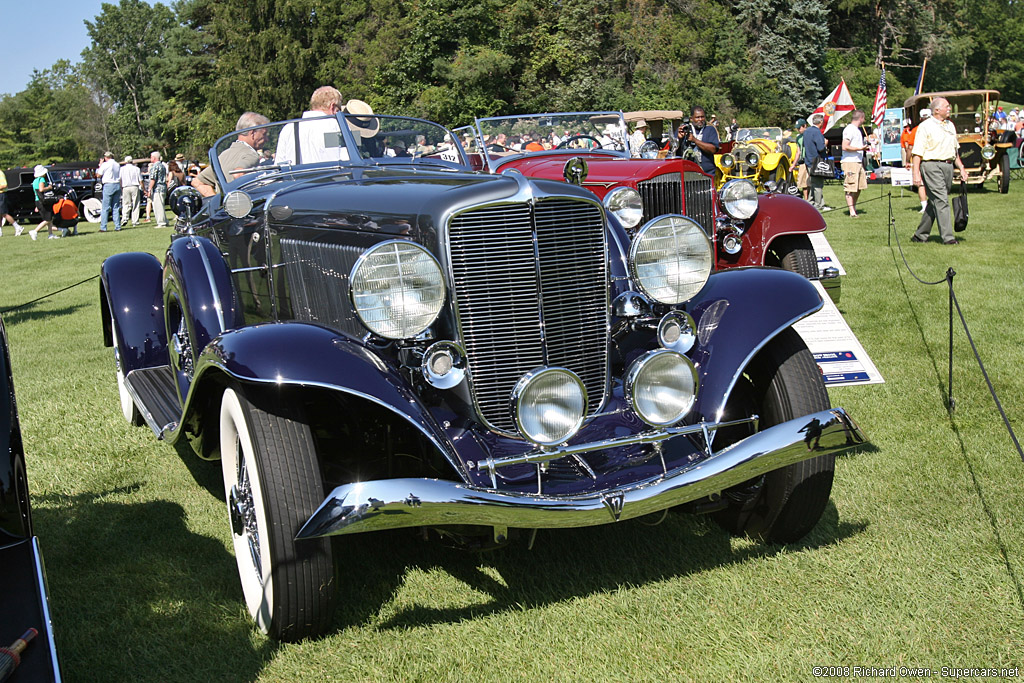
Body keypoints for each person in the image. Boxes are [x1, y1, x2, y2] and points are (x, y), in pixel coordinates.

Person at [911, 96, 968, 245]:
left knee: (935, 201)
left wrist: (961, 167)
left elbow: (954, 151)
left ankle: (920, 235)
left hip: (948, 166)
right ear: (937, 110)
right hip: (931, 166)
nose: (949, 109)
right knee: (942, 200)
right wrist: (915, 173)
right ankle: (948, 238)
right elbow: (917, 153)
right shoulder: (925, 126)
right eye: (947, 106)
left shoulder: (950, 125)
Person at [193, 112, 270, 197]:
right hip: (243, 208)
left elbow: (197, 182)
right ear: (252, 133)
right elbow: (238, 174)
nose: (266, 139)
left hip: (226, 208)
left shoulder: (224, 155)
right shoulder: (251, 155)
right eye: (264, 134)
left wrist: (219, 202)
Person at [275, 86, 346, 165]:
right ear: (332, 107)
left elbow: (279, 165)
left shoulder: (288, 128)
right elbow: (348, 161)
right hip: (330, 176)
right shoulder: (337, 126)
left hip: (296, 177)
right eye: (338, 110)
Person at [674, 106, 720, 175]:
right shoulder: (684, 129)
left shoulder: (710, 130)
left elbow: (713, 149)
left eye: (702, 117)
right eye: (697, 117)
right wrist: (679, 138)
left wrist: (695, 140)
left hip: (707, 173)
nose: (700, 119)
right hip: (686, 172)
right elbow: (672, 149)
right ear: (691, 119)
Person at [840, 110, 869, 217]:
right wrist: (860, 148)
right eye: (864, 118)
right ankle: (851, 211)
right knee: (850, 186)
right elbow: (845, 146)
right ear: (861, 118)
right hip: (850, 162)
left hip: (858, 161)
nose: (864, 120)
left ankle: (853, 206)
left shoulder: (856, 130)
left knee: (859, 186)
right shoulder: (849, 129)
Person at [803, 113, 829, 211]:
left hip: (808, 160)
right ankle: (819, 205)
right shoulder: (817, 132)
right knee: (818, 184)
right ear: (821, 122)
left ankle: (810, 202)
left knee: (813, 183)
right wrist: (825, 143)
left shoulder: (806, 131)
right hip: (817, 161)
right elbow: (820, 147)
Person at [909, 109, 932, 212]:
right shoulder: (936, 128)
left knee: (921, 184)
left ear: (920, 118)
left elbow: (910, 147)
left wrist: (907, 161)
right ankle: (932, 205)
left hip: (921, 160)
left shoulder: (916, 130)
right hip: (933, 159)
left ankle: (924, 206)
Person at [29, 165, 58, 240]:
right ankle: (35, 231)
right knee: (47, 219)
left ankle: (50, 234)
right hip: (43, 201)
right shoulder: (41, 179)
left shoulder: (35, 181)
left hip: (38, 200)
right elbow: (41, 189)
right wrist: (49, 187)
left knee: (49, 218)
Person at [97, 151, 122, 232]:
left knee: (105, 207)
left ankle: (103, 227)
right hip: (117, 184)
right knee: (115, 207)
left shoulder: (105, 164)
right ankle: (117, 226)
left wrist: (100, 165)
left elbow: (99, 174)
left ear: (105, 157)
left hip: (108, 185)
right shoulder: (117, 164)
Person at [147, 152, 169, 227]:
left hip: (158, 188)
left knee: (158, 206)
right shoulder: (162, 165)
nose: (150, 158)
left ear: (154, 158)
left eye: (151, 157)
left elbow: (153, 179)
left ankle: (161, 223)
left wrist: (149, 189)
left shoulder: (155, 166)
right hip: (163, 187)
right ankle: (165, 220)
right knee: (161, 205)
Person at [0, 167, 24, 236]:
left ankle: (18, 227)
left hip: (1, 194)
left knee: (4, 213)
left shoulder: (0, 174)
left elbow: (4, 185)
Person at [120, 155, 142, 227]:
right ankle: (135, 221)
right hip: (135, 186)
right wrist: (143, 188)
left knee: (126, 204)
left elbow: (120, 179)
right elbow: (140, 180)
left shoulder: (122, 169)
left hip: (125, 187)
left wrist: (121, 187)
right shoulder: (136, 169)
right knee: (136, 204)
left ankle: (124, 218)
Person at [794, 118, 809, 201]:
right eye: (797, 128)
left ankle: (811, 198)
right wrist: (793, 164)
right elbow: (798, 151)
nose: (798, 130)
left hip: (810, 160)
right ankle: (806, 199)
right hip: (803, 161)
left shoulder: (810, 134)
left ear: (805, 126)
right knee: (803, 182)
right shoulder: (798, 137)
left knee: (810, 181)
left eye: (800, 128)